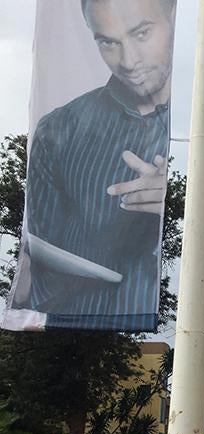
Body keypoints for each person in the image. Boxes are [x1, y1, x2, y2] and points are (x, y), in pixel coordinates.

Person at [7, 0, 177, 331]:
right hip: (73, 335)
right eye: (107, 42)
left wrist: (177, 205)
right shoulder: (58, 130)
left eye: (141, 33)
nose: (128, 61)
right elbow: (42, 270)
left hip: (184, 330)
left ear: (172, 15)